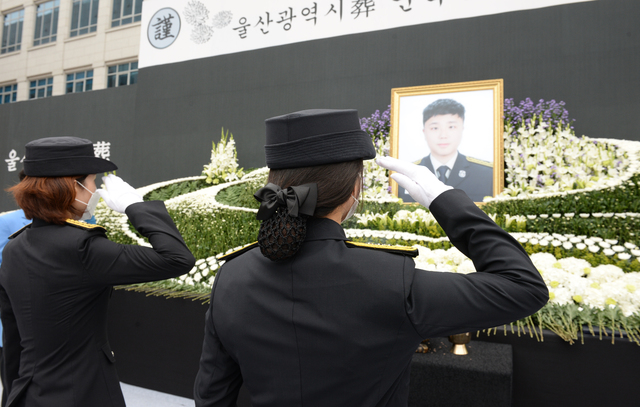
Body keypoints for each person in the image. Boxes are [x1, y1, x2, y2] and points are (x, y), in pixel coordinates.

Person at [193, 109, 548, 406]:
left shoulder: (231, 277)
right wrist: (447, 201)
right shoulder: (392, 280)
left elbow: (212, 396)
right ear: (353, 190)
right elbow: (524, 287)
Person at [0, 136, 196, 407]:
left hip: (28, 394)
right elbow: (177, 258)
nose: (95, 190)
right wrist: (135, 206)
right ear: (73, 187)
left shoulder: (13, 249)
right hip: (85, 393)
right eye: (92, 181)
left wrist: (12, 396)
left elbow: (14, 343)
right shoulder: (82, 247)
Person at [401, 98, 493, 203]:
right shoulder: (407, 175)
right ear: (424, 132)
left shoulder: (487, 174)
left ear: (462, 129)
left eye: (451, 127)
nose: (443, 135)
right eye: (435, 128)